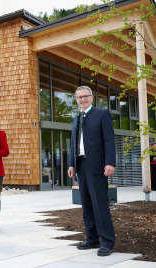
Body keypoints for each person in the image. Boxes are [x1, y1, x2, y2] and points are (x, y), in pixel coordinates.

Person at [67, 86, 116, 256]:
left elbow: (109, 140)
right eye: (79, 97)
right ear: (76, 100)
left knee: (99, 204)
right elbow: (73, 143)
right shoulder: (76, 118)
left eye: (85, 96)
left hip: (97, 166)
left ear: (92, 97)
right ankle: (92, 238)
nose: (83, 99)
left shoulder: (102, 114)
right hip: (81, 165)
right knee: (86, 204)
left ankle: (108, 241)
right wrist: (71, 164)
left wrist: (109, 162)